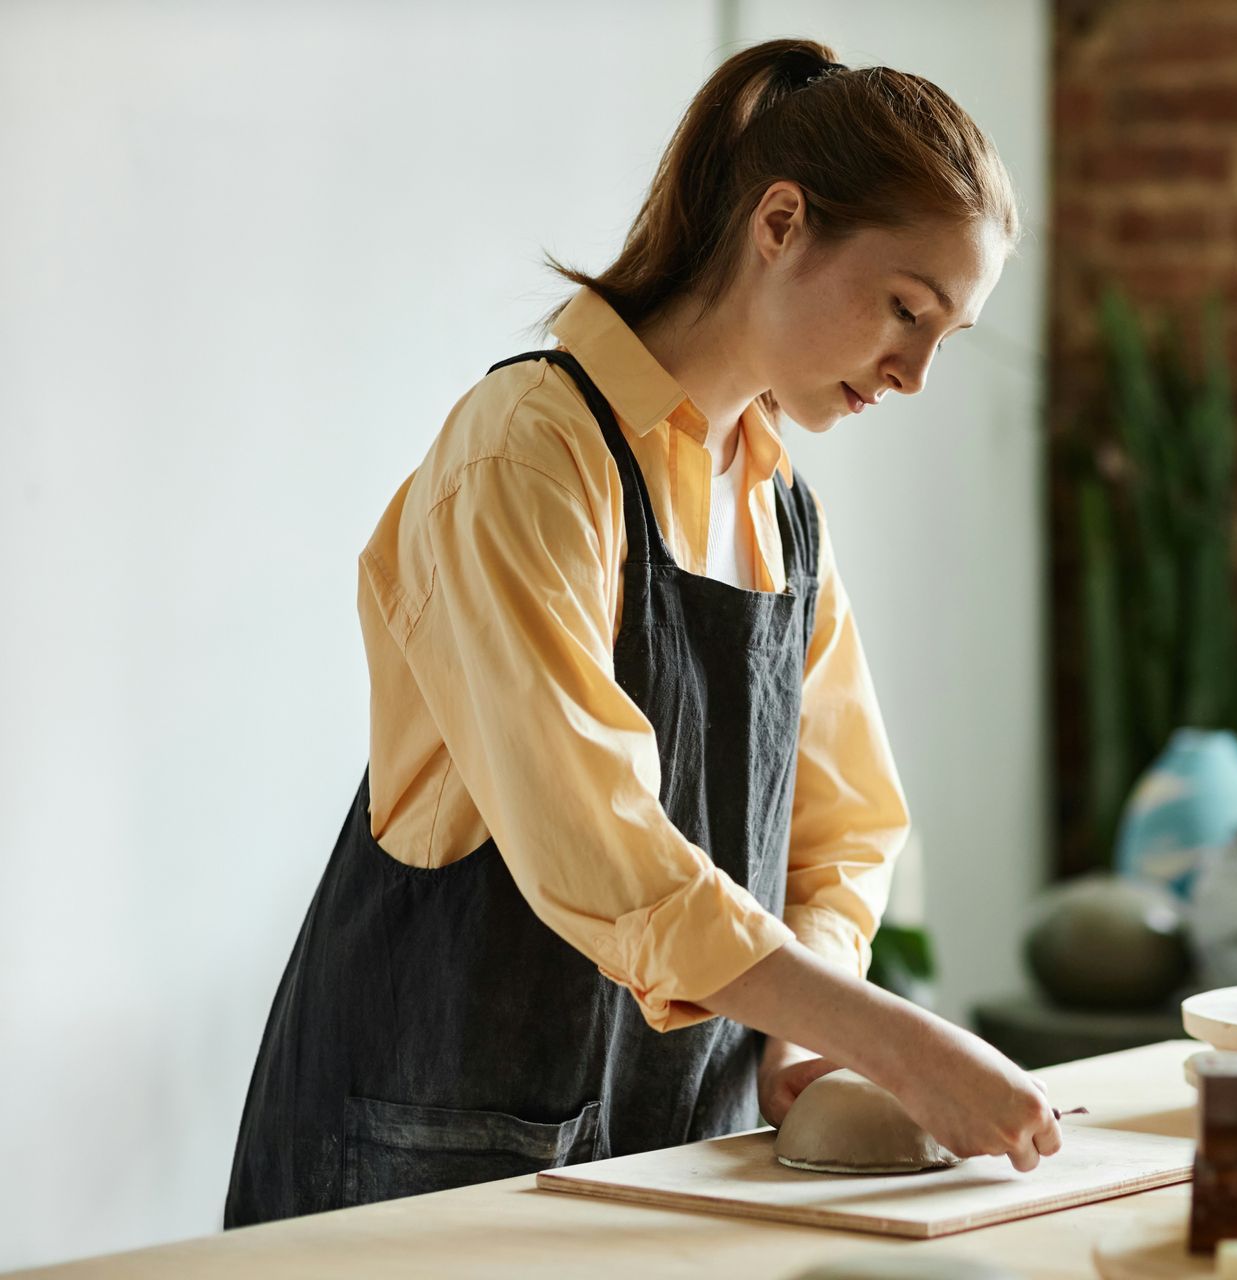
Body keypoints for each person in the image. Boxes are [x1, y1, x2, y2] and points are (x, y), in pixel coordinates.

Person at [224, 38, 1060, 1227]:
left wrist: (798, 1030)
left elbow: (847, 828)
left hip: (666, 1154)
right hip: (430, 1158)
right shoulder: (528, 449)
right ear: (781, 224)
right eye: (905, 309)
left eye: (947, 334)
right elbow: (599, 840)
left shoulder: (780, 507)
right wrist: (900, 1041)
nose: (917, 372)